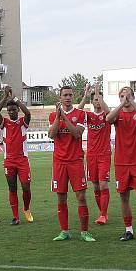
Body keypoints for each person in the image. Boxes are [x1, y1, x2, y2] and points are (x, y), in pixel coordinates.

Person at [48, 86, 94, 242]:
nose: (68, 97)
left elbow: (76, 134)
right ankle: (64, 231)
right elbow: (51, 135)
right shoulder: (53, 115)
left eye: (70, 95)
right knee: (61, 198)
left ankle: (85, 232)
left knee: (81, 197)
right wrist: (57, 118)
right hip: (59, 162)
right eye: (65, 95)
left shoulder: (81, 114)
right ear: (60, 97)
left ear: (73, 97)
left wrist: (64, 118)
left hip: (76, 161)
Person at [107, 86, 136, 242]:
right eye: (121, 96)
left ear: (133, 97)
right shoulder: (117, 114)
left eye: (127, 96)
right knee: (123, 197)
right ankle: (128, 230)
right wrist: (121, 104)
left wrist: (131, 102)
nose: (124, 98)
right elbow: (108, 119)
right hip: (121, 162)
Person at [0, 86, 33, 225]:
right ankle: (15, 216)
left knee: (26, 187)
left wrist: (14, 97)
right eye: (9, 110)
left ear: (17, 110)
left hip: (22, 161)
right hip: (9, 161)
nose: (11, 112)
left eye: (13, 109)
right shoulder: (4, 123)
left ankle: (26, 209)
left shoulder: (23, 122)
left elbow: (27, 113)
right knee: (12, 188)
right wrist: (5, 97)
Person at [77, 81, 112, 225]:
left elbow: (109, 112)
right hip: (91, 155)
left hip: (104, 154)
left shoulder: (107, 115)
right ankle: (102, 213)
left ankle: (103, 214)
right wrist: (85, 97)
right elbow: (76, 113)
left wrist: (98, 94)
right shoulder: (88, 116)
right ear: (92, 102)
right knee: (96, 185)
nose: (97, 101)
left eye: (99, 99)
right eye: (95, 99)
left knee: (103, 184)